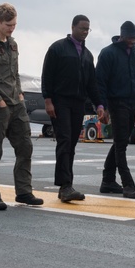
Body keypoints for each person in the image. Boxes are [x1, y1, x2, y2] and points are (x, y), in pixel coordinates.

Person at [0, 3, 42, 210]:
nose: (11, 28)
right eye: (8, 25)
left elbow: (15, 73)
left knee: (25, 147)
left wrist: (20, 95)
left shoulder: (12, 44)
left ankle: (23, 192)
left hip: (16, 105)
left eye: (14, 24)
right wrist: (0, 102)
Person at [40, 15, 104, 202]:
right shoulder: (57, 48)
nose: (85, 32)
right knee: (65, 141)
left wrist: (99, 104)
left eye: (88, 29)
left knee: (72, 143)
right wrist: (48, 100)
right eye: (82, 28)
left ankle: (66, 185)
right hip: (60, 101)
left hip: (78, 103)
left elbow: (92, 83)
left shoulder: (87, 54)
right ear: (73, 27)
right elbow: (47, 75)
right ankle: (65, 185)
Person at [95, 21, 135, 198]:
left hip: (131, 103)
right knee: (121, 143)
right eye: (130, 37)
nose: (132, 41)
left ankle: (108, 180)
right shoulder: (108, 53)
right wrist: (103, 106)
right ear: (122, 35)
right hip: (116, 102)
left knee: (121, 141)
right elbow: (100, 82)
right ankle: (128, 184)